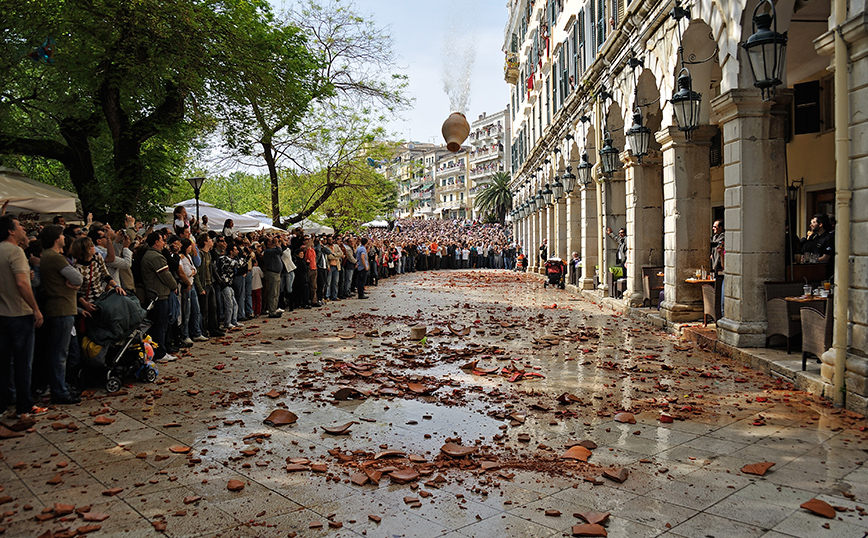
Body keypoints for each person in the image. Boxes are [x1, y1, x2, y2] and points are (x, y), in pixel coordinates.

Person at [0, 215, 47, 416]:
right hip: (19, 313)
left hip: (2, 314)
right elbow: (21, 283)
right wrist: (35, 308)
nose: (23, 229)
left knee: (4, 363)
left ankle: (2, 405)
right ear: (11, 231)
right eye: (19, 225)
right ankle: (24, 406)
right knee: (23, 363)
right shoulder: (16, 252)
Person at [38, 224, 83, 404]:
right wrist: (74, 285)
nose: (65, 238)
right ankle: (60, 391)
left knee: (63, 352)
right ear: (57, 238)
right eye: (62, 235)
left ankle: (62, 386)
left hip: (61, 307)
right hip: (62, 308)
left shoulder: (46, 257)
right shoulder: (55, 258)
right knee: (60, 353)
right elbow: (78, 278)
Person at [140, 232, 179, 362]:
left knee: (160, 325)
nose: (164, 243)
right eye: (162, 240)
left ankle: (158, 351)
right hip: (159, 295)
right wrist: (174, 285)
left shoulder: (151, 255)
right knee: (160, 326)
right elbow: (166, 275)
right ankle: (160, 353)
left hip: (157, 294)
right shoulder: (156, 257)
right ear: (156, 242)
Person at [801, 213, 834, 278]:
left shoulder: (828, 238)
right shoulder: (814, 237)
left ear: (820, 224)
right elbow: (805, 251)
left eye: (814, 222)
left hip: (824, 272)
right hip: (811, 271)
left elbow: (825, 258)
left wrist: (812, 259)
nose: (811, 225)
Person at [261, 236, 283, 317]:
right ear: (268, 243)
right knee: (273, 293)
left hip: (277, 273)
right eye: (271, 240)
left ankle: (274, 309)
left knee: (276, 293)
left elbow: (280, 250)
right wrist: (276, 243)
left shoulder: (273, 250)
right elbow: (279, 250)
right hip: (272, 273)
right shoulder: (268, 251)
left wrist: (277, 243)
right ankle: (272, 311)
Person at [710, 220, 725, 318]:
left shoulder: (722, 237)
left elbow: (715, 244)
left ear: (720, 228)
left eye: (715, 227)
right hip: (714, 265)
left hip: (720, 268)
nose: (713, 229)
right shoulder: (715, 237)